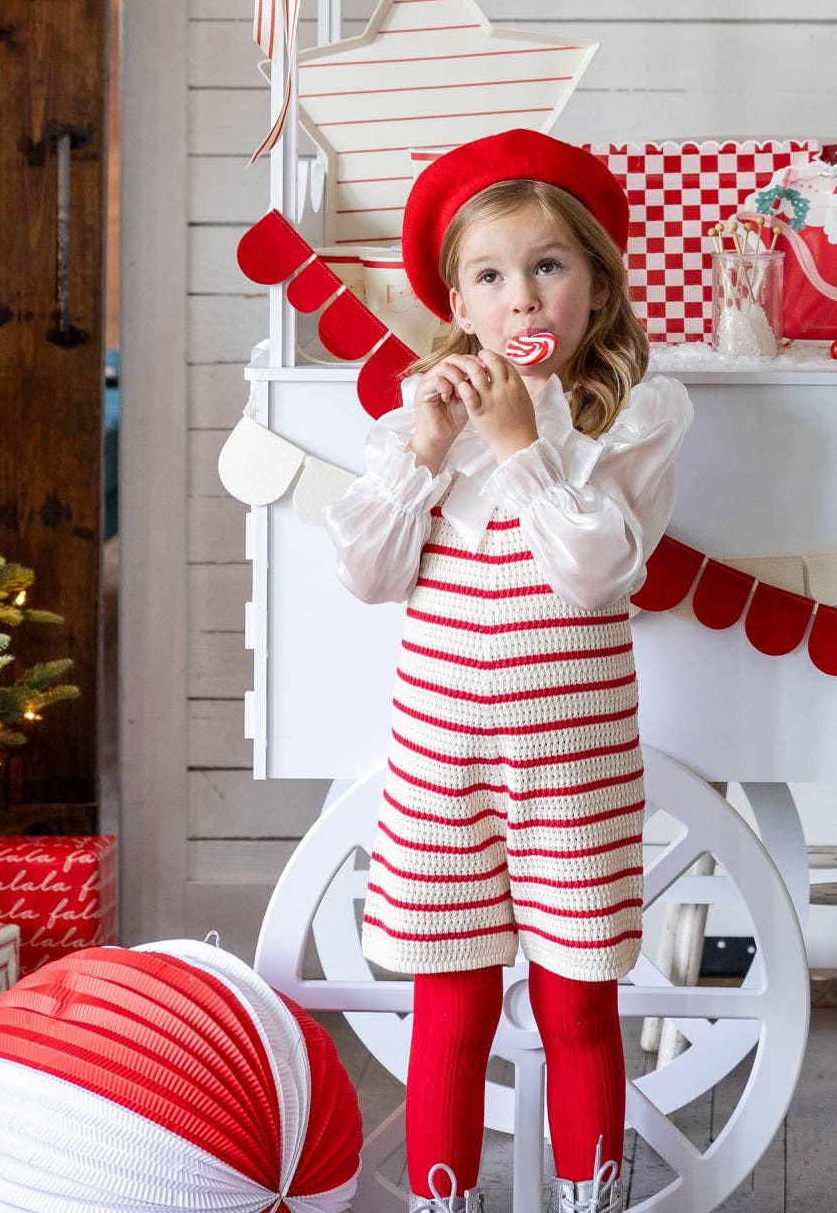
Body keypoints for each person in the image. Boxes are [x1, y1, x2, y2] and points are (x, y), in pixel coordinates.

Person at [324, 131, 693, 1213]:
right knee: (452, 998)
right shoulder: (423, 418)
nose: (522, 299)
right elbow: (364, 570)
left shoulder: (634, 411)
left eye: (548, 266)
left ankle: (592, 1197)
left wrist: (522, 440)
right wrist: (431, 448)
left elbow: (594, 573)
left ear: (596, 277)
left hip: (571, 758)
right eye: (491, 274)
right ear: (458, 297)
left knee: (580, 998)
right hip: (443, 757)